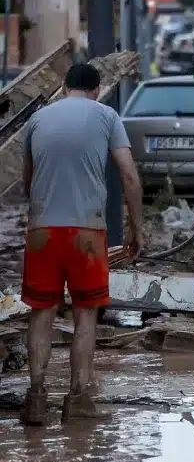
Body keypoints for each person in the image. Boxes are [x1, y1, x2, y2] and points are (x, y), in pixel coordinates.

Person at [20, 63, 144, 426]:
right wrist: (137, 229)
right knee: (85, 314)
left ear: (63, 86)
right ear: (97, 88)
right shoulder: (107, 116)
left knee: (41, 313)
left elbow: (27, 184)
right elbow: (129, 176)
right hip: (88, 234)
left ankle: (37, 399)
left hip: (42, 231)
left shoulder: (38, 120)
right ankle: (77, 400)